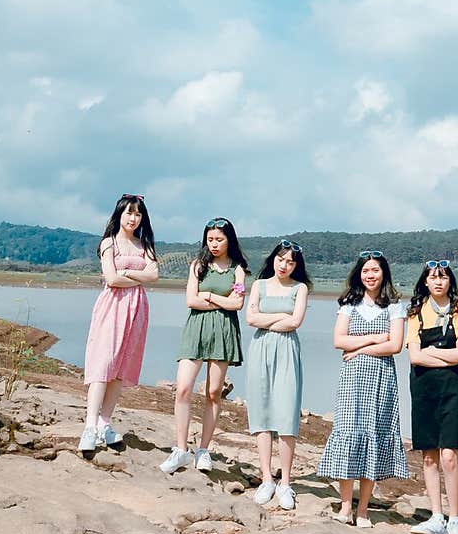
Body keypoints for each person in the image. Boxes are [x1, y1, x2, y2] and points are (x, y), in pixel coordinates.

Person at [317, 250, 408, 526]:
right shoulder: (348, 304)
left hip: (381, 379)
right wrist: (374, 338)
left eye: (375, 270)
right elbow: (338, 340)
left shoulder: (394, 305)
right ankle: (345, 507)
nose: (370, 275)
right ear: (359, 273)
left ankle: (364, 509)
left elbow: (395, 346)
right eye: (366, 270)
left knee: (373, 434)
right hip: (352, 381)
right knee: (348, 434)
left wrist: (359, 349)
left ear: (384, 274)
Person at [160, 218, 249, 474]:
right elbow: (191, 300)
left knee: (213, 393)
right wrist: (220, 299)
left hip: (223, 332)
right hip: (196, 330)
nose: (214, 244)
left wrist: (208, 295)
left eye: (219, 240)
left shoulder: (238, 269)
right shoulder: (198, 265)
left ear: (229, 240)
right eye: (210, 239)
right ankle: (180, 449)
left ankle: (203, 450)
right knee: (184, 388)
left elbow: (237, 305)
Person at [79, 194, 159, 453]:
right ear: (119, 215)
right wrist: (138, 277)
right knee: (103, 364)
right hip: (112, 306)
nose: (133, 218)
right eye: (129, 213)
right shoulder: (108, 243)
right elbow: (111, 279)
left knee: (121, 366)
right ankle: (90, 426)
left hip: (136, 309)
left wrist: (127, 273)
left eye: (138, 214)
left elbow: (154, 275)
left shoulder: (144, 245)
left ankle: (104, 422)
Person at [406, 259, 458, 534]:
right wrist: (443, 355)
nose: (438, 282)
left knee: (449, 455)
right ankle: (436, 517)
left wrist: (432, 352)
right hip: (423, 388)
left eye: (443, 277)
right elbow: (415, 357)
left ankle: (455, 520)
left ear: (450, 281)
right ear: (425, 282)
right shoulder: (415, 312)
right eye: (433, 277)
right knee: (430, 455)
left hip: (453, 388)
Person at [245, 238, 312, 510]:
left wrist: (266, 317)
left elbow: (295, 322)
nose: (284, 265)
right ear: (273, 258)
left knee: (286, 414)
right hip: (260, 348)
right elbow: (250, 319)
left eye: (290, 262)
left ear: (296, 265)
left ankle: (285, 482)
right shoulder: (259, 285)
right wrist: (278, 318)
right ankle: (266, 479)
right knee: (260, 413)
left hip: (286, 350)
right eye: (281, 259)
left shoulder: (300, 288)